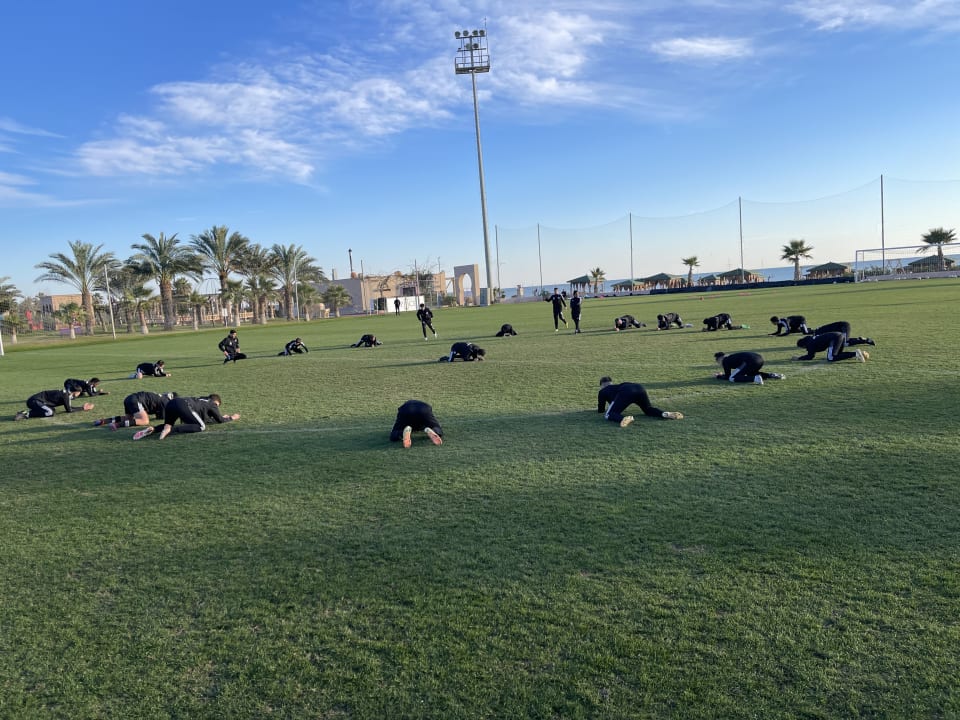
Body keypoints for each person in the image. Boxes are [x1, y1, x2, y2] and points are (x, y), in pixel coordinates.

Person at [133, 394, 240, 440]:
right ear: (216, 402)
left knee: (167, 424)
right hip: (183, 405)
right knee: (201, 427)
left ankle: (154, 429)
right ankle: (170, 431)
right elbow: (220, 420)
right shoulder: (213, 404)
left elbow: (201, 418)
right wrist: (231, 417)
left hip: (172, 403)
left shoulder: (202, 400)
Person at [597, 376, 684, 427]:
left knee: (609, 414)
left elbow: (601, 409)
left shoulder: (602, 391)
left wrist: (602, 410)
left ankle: (624, 419)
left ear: (601, 385)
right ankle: (665, 414)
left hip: (626, 392)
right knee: (648, 409)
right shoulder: (617, 386)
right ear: (611, 383)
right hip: (639, 388)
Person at [93, 391, 177, 429]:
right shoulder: (166, 402)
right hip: (136, 401)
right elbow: (161, 417)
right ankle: (117, 425)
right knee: (145, 420)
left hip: (129, 398)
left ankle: (103, 421)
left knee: (128, 418)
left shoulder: (161, 397)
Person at [15, 389, 95, 420]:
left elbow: (69, 407)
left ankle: (25, 413)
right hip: (35, 401)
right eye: (79, 393)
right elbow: (69, 410)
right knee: (50, 412)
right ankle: (25, 414)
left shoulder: (66, 394)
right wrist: (83, 408)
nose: (79, 394)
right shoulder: (66, 396)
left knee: (52, 410)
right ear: (75, 392)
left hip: (35, 401)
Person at [713, 351, 785, 384]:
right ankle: (771, 375)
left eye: (718, 362)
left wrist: (719, 376)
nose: (719, 364)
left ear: (720, 359)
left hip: (750, 361)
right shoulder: (730, 357)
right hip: (760, 359)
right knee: (750, 373)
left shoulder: (725, 361)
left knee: (732, 378)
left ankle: (756, 379)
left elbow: (727, 377)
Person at [794, 333, 869, 362]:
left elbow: (810, 356)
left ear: (803, 345)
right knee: (837, 354)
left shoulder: (810, 344)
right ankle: (857, 354)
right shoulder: (811, 339)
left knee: (831, 358)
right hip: (840, 336)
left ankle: (856, 354)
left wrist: (798, 358)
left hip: (835, 339)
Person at [806, 321, 875, 346]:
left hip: (844, 327)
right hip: (842, 327)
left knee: (845, 343)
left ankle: (865, 340)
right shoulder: (818, 331)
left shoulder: (817, 334)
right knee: (842, 341)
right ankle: (861, 339)